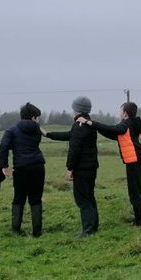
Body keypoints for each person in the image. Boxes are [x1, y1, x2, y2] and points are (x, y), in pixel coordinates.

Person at [85, 101, 141, 227]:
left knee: (134, 192)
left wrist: (91, 123)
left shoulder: (126, 124)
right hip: (136, 160)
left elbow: (113, 129)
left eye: (121, 111)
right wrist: (96, 127)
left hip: (134, 161)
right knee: (136, 191)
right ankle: (139, 219)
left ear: (125, 113)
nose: (120, 113)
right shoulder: (130, 124)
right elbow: (113, 134)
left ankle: (139, 221)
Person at [44, 96, 100, 237]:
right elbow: (69, 135)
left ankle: (88, 230)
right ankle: (93, 226)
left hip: (82, 169)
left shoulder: (79, 125)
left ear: (77, 109)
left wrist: (70, 168)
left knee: (82, 199)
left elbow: (74, 149)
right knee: (89, 197)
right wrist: (48, 134)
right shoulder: (87, 124)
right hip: (91, 167)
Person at [0, 102, 46, 237]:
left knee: (18, 198)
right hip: (37, 165)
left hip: (21, 167)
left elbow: (3, 147)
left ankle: (16, 230)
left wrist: (4, 165)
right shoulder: (38, 129)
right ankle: (37, 232)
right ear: (33, 117)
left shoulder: (11, 130)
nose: (38, 120)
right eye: (38, 117)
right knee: (36, 198)